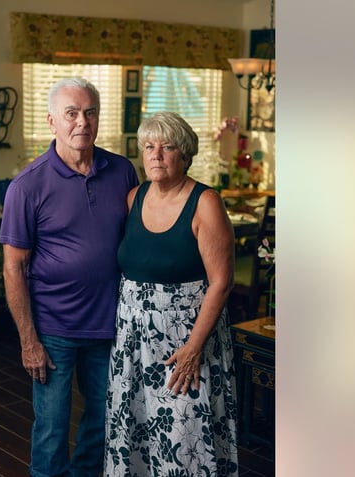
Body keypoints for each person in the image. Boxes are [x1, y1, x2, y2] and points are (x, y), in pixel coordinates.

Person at [0, 77, 139, 477]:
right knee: (51, 429)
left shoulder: (122, 171)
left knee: (105, 418)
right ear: (51, 121)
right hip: (53, 330)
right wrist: (29, 341)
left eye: (90, 112)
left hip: (110, 324)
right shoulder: (27, 186)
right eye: (72, 113)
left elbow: (140, 234)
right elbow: (14, 267)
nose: (82, 122)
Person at [104, 111, 239, 475]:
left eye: (167, 147)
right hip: (133, 340)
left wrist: (193, 350)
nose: (156, 155)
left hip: (185, 340)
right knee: (133, 431)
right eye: (149, 146)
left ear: (185, 154)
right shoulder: (135, 196)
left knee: (183, 436)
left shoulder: (205, 202)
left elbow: (222, 282)